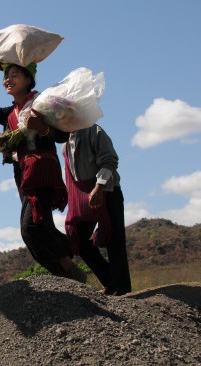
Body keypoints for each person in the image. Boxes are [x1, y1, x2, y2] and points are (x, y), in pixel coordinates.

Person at [0, 57, 85, 281]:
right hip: (23, 174)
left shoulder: (42, 104)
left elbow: (63, 135)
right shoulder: (8, 114)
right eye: (5, 76)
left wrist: (42, 128)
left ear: (28, 79)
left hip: (42, 170)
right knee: (37, 228)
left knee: (30, 228)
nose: (7, 80)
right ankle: (67, 276)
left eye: (14, 75)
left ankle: (68, 263)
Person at [63, 124, 131, 295]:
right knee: (79, 239)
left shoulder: (94, 131)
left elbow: (109, 160)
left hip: (108, 191)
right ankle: (110, 281)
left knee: (114, 240)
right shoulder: (65, 142)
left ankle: (121, 289)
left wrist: (99, 186)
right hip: (83, 196)